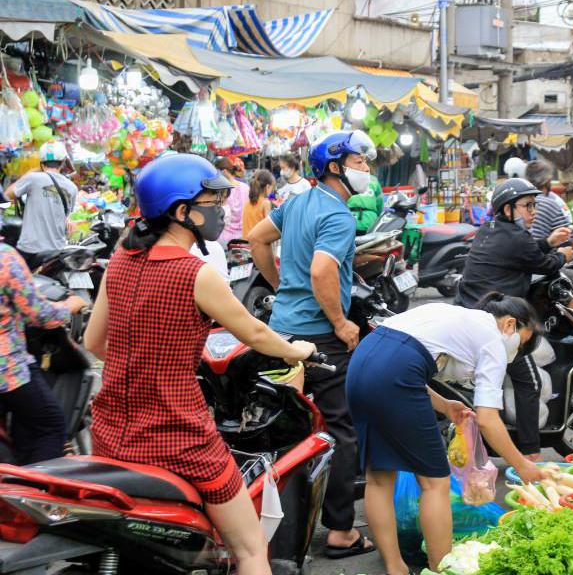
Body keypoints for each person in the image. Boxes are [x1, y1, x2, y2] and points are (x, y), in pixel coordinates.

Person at [83, 153, 316, 575]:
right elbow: (256, 333)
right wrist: (298, 350)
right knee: (250, 548)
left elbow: (93, 341)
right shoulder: (197, 273)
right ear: (182, 211)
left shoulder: (119, 261)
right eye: (212, 200)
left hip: (110, 435)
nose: (221, 209)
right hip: (178, 438)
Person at [347, 294, 547, 575]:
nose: (516, 353)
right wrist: (522, 464)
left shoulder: (454, 315)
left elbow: (395, 359)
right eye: (522, 343)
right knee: (435, 483)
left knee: (379, 479)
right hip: (393, 375)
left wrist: (443, 405)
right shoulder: (493, 339)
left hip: (360, 367)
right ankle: (441, 569)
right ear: (510, 324)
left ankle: (396, 569)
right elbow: (489, 420)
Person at [247, 130, 375, 559]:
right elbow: (323, 271)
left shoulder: (297, 202)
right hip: (319, 338)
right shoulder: (338, 216)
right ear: (336, 168)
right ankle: (340, 531)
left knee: (282, 426)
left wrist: (280, 285)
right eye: (360, 162)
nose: (367, 169)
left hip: (281, 330)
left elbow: (257, 239)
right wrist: (340, 323)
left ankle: (263, 521)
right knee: (342, 430)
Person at [457, 178, 573, 459]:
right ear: (508, 208)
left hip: (470, 312)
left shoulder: (489, 230)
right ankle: (531, 454)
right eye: (527, 206)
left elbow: (526, 252)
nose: (533, 211)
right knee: (529, 381)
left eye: (534, 205)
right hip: (497, 322)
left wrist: (547, 242)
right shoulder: (515, 237)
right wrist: (563, 255)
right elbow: (542, 263)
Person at [0, 244, 87, 463]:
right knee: (50, 425)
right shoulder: (5, 257)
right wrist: (71, 305)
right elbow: (40, 315)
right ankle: (32, 492)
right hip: (7, 370)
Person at [525, 159, 573, 306]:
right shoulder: (550, 203)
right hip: (542, 268)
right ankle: (568, 326)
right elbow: (567, 239)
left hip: (523, 267)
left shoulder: (519, 204)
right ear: (547, 181)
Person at [3, 148, 78, 269]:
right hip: (56, 250)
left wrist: (30, 173)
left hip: (30, 248)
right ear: (63, 162)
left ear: (41, 162)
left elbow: (7, 195)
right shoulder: (72, 187)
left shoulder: (33, 178)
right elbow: (67, 216)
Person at [216, 157, 250, 247]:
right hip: (243, 236)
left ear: (224, 171)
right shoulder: (246, 187)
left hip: (224, 238)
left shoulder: (222, 190)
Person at [242, 170, 276, 237]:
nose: (271, 192)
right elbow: (268, 228)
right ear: (267, 187)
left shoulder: (247, 203)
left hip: (245, 243)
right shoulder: (265, 203)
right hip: (258, 244)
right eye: (272, 189)